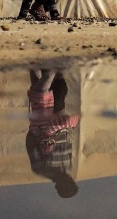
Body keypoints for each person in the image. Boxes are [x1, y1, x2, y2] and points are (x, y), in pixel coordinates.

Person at [25, 69, 80, 198]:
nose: (69, 179)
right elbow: (67, 144)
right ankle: (51, 67)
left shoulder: (42, 169)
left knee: (41, 95)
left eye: (67, 183)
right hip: (60, 121)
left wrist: (39, 130)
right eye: (71, 181)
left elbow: (31, 145)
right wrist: (67, 128)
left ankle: (44, 66)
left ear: (59, 186)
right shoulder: (68, 166)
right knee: (59, 90)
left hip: (45, 123)